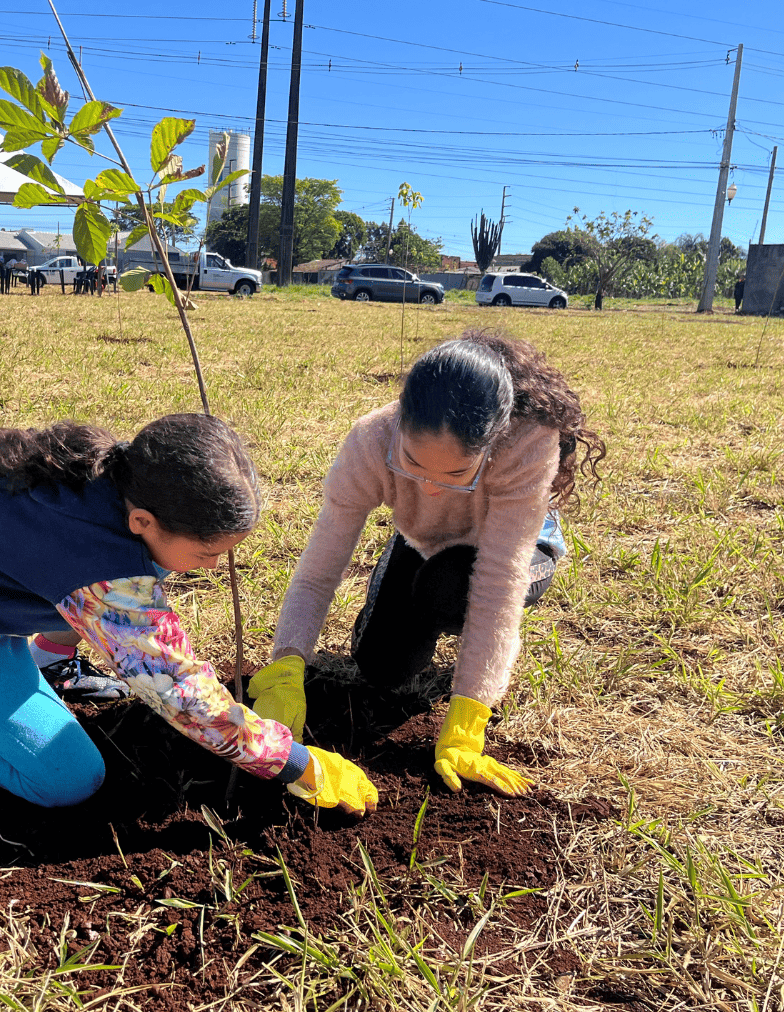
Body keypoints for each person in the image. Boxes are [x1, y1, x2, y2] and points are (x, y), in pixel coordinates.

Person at [0, 414, 377, 816]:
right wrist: (292, 762)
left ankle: (42, 663)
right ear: (142, 520)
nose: (215, 566)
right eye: (206, 553)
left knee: (134, 586)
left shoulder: (125, 480)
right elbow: (176, 688)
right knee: (69, 779)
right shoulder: (99, 571)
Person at [247, 328, 605, 798]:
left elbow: (499, 582)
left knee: (451, 585)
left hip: (509, 550)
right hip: (423, 539)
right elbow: (319, 570)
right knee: (383, 670)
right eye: (413, 465)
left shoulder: (529, 443)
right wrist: (288, 662)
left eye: (456, 473)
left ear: (493, 444)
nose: (431, 488)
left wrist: (469, 717)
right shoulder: (371, 440)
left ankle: (442, 612)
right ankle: (411, 589)